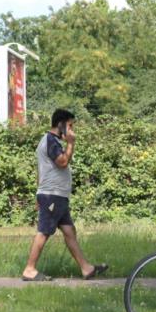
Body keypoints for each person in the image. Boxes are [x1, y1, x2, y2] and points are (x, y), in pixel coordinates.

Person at [21, 109, 108, 281]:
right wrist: (71, 143)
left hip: (55, 196)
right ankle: (29, 269)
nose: (72, 129)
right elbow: (62, 162)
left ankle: (86, 268)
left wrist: (38, 194)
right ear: (61, 124)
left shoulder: (50, 141)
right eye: (70, 125)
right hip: (52, 195)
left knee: (69, 231)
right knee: (44, 232)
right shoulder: (51, 141)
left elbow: (41, 171)